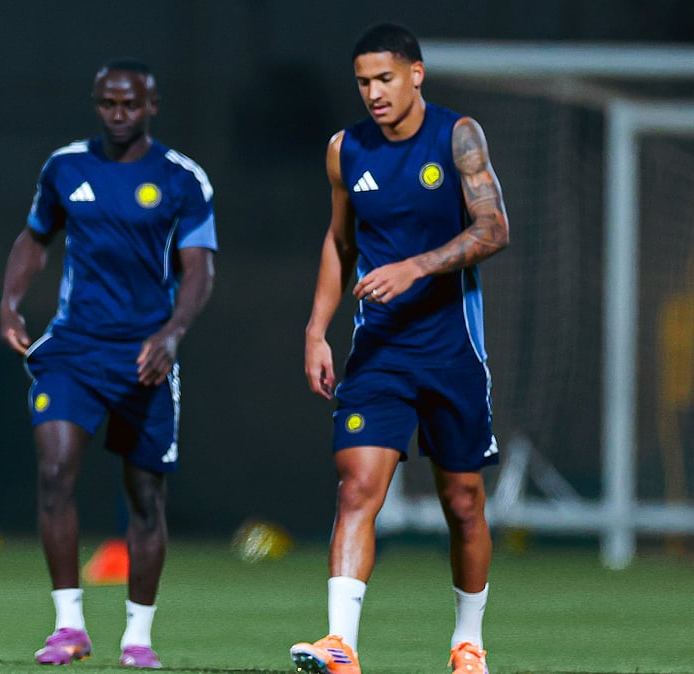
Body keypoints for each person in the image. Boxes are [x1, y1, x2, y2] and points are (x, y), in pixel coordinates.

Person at [290, 22, 509, 674]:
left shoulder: (457, 136)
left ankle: (467, 642)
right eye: (363, 82)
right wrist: (315, 329)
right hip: (379, 350)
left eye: (385, 78)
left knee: (463, 502)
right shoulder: (344, 150)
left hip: (452, 350)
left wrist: (417, 267)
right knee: (357, 487)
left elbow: (494, 228)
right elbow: (339, 242)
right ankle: (340, 643)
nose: (373, 93)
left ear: (416, 73)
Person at [0, 59, 217, 669]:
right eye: (107, 104)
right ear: (97, 103)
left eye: (129, 105)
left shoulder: (181, 178)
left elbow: (199, 269)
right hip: (73, 349)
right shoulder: (67, 167)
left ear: (151, 106)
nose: (117, 114)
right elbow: (34, 239)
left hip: (145, 354)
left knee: (145, 495)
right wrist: (11, 304)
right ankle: (69, 626)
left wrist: (173, 334)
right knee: (54, 471)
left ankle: (137, 635)